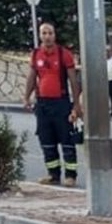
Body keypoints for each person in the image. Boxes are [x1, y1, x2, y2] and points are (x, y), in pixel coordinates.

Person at [23, 23, 82, 186]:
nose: (47, 36)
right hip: (42, 104)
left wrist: (76, 105)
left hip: (61, 103)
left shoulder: (64, 54)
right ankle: (53, 175)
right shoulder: (36, 55)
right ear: (40, 35)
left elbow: (73, 80)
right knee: (46, 140)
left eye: (50, 33)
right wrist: (26, 97)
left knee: (67, 140)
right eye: (44, 33)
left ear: (54, 35)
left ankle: (71, 176)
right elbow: (31, 77)